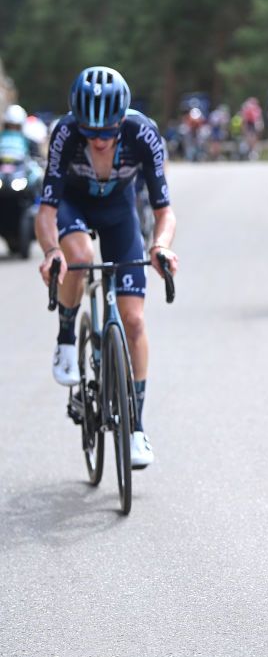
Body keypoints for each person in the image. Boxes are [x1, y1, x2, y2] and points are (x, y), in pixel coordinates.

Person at [35, 66, 179, 469]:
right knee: (78, 258)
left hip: (119, 212)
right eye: (90, 132)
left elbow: (164, 210)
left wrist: (161, 246)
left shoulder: (143, 133)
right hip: (74, 206)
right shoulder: (65, 134)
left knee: (133, 322)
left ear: (122, 122)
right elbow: (46, 210)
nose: (98, 141)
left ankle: (135, 428)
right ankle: (66, 337)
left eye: (107, 133)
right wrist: (51, 251)